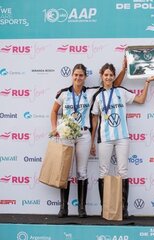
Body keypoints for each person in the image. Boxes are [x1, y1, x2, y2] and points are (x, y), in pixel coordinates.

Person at [50, 62, 126, 218]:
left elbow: (111, 84)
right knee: (65, 171)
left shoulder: (91, 92)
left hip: (84, 135)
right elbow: (54, 111)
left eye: (81, 75)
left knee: (81, 172)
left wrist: (124, 69)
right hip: (66, 136)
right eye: (76, 75)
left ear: (85, 77)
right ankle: (63, 208)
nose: (78, 77)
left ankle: (81, 209)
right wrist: (54, 128)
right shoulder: (64, 93)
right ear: (72, 76)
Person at [90, 63, 154, 219]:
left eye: (111, 75)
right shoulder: (97, 96)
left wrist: (147, 83)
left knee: (123, 171)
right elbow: (95, 119)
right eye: (105, 75)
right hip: (105, 138)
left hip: (122, 137)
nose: (108, 77)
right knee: (103, 172)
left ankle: (123, 208)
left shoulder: (121, 91)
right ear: (101, 76)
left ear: (114, 77)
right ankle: (105, 208)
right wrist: (93, 141)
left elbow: (141, 99)